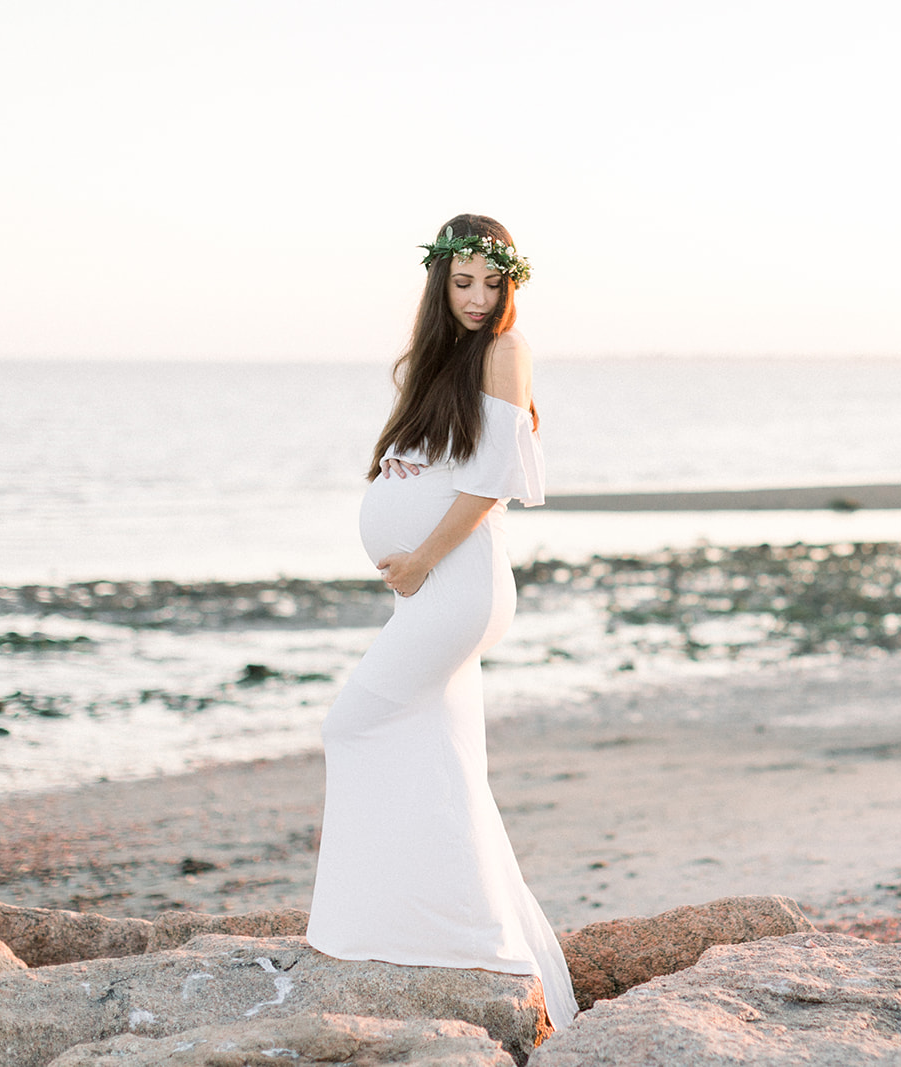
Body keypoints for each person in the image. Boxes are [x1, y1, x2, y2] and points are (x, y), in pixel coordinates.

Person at [306, 214, 577, 1030]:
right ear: (439, 283)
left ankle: (426, 926)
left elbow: (492, 481)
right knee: (442, 754)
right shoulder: (444, 360)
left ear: (510, 283)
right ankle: (451, 928)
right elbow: (442, 463)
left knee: (351, 725)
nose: (478, 298)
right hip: (435, 585)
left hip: (456, 584)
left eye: (492, 283)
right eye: (463, 283)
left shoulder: (505, 350)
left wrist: (420, 557)